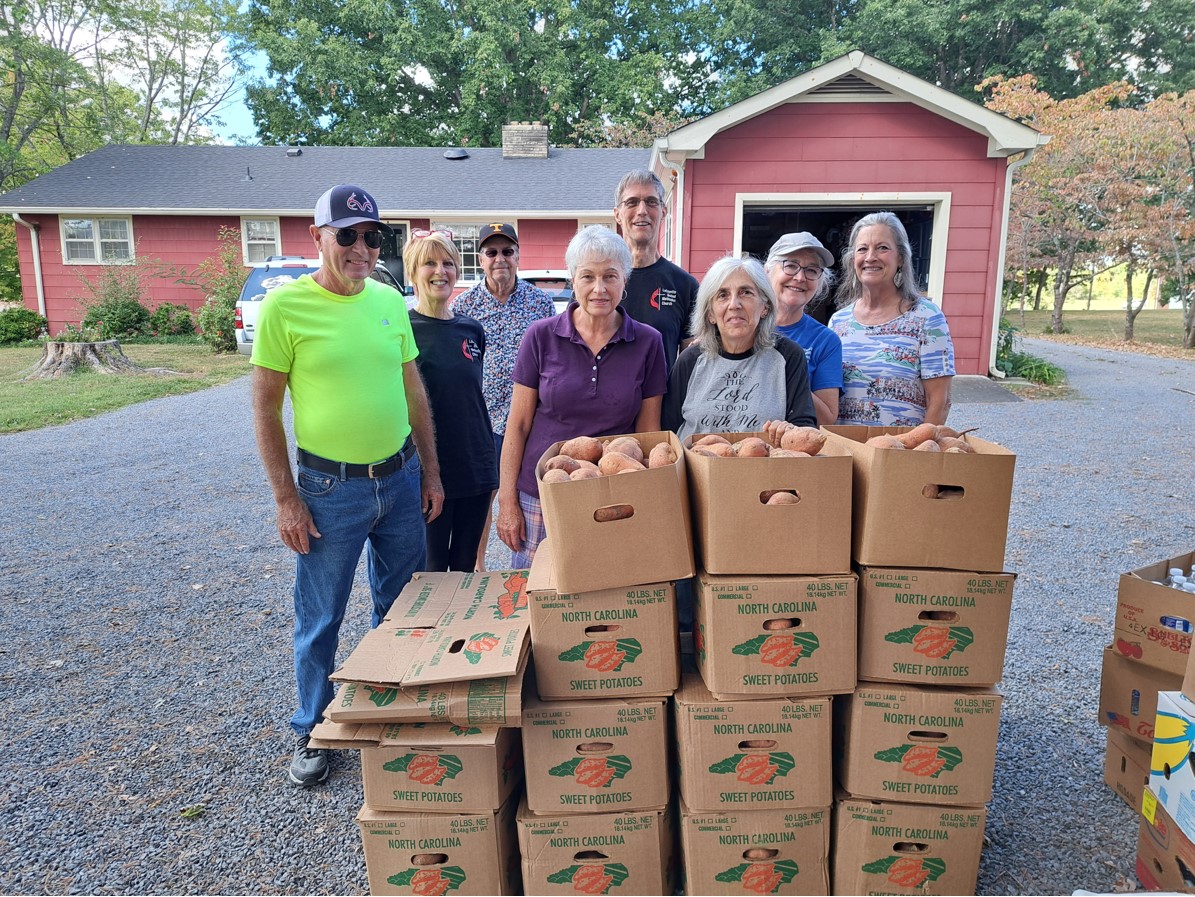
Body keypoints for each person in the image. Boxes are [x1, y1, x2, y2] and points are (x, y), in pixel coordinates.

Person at [251, 184, 443, 788]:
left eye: (372, 236)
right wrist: (286, 497)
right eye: (348, 236)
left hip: (400, 476)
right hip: (329, 490)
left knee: (399, 608)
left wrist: (431, 471)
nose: (362, 248)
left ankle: (392, 710)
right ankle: (309, 727)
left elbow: (413, 390)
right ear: (318, 238)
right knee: (321, 615)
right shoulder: (285, 309)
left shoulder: (388, 301)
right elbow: (264, 409)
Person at [497, 225, 667, 567]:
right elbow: (517, 424)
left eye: (610, 276)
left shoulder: (648, 342)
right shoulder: (541, 336)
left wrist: (645, 502)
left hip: (611, 493)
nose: (599, 288)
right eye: (587, 276)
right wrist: (507, 502)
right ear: (573, 279)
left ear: (625, 280)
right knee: (539, 593)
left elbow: (648, 433)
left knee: (605, 585)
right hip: (542, 492)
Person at [453, 223, 555, 571]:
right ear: (480, 259)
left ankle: (539, 563)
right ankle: (477, 566)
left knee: (530, 494)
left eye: (507, 252)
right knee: (484, 498)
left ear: (517, 256)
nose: (500, 259)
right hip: (483, 421)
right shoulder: (464, 305)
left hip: (529, 419)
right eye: (491, 252)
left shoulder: (539, 302)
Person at [404, 231, 497, 571]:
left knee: (464, 569)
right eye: (429, 263)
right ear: (413, 272)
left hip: (475, 466)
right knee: (429, 573)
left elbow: (468, 397)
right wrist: (427, 472)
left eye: (448, 263)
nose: (440, 271)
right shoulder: (404, 329)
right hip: (431, 471)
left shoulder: (471, 330)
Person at [663, 255, 816, 443]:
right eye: (723, 295)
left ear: (765, 306)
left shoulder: (789, 356)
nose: (734, 304)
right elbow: (667, 431)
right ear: (710, 313)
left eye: (746, 293)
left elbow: (803, 426)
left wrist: (790, 430)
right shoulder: (690, 360)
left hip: (763, 468)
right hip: (698, 468)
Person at [829, 212, 955, 426]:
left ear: (901, 258)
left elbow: (940, 402)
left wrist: (918, 452)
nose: (870, 257)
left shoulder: (927, 318)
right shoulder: (838, 323)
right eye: (862, 249)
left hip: (902, 454)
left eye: (882, 248)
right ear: (853, 260)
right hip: (846, 452)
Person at [613, 169, 699, 371]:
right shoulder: (598, 282)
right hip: (605, 401)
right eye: (632, 202)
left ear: (664, 211)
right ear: (617, 214)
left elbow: (690, 364)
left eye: (651, 202)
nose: (642, 210)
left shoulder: (685, 286)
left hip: (661, 401)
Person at [765, 232, 843, 426]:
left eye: (811, 270)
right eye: (790, 265)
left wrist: (787, 374)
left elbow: (826, 419)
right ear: (767, 272)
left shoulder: (825, 341)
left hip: (795, 447)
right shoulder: (740, 328)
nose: (800, 277)